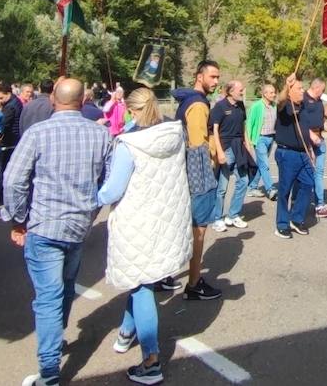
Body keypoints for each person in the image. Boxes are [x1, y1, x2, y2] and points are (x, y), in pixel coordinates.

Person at [1, 79, 112, 386]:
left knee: (49, 297)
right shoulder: (100, 133)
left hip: (44, 224)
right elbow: (113, 176)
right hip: (78, 225)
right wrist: (94, 204)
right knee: (62, 289)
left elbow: (12, 180)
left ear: (53, 99)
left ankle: (49, 372)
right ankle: (54, 341)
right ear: (84, 99)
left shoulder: (38, 133)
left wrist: (17, 218)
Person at [97, 88, 190, 386]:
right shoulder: (173, 134)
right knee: (142, 279)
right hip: (165, 219)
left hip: (137, 220)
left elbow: (112, 190)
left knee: (140, 286)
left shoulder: (129, 145)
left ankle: (151, 361)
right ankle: (126, 333)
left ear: (133, 111)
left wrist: (93, 194)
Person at [171, 60, 224, 300]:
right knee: (199, 229)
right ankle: (193, 283)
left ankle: (167, 276)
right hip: (198, 174)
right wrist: (214, 156)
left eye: (217, 78)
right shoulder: (197, 105)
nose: (215, 81)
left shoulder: (188, 100)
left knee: (187, 226)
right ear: (199, 76)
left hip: (186, 171)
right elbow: (197, 144)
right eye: (212, 77)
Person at [272, 75, 317, 238]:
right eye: (299, 88)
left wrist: (310, 149)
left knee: (308, 183)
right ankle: (282, 224)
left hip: (303, 153)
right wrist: (286, 86)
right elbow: (281, 100)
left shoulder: (303, 106)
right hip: (287, 153)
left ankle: (296, 218)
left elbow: (305, 129)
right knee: (285, 190)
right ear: (290, 92)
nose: (302, 90)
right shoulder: (285, 106)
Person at [211, 80, 254, 230]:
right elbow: (214, 130)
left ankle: (233, 215)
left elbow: (243, 127)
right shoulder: (220, 107)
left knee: (244, 180)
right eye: (240, 90)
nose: (243, 92)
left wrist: (247, 145)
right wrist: (220, 151)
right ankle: (217, 218)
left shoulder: (241, 106)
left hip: (239, 147)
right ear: (230, 92)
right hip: (225, 148)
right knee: (222, 186)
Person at [301, 78, 327, 218]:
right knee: (305, 172)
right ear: (316, 87)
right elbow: (300, 122)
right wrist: (310, 137)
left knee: (319, 172)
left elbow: (321, 121)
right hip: (307, 141)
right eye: (322, 90)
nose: (322, 93)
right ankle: (298, 201)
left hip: (320, 139)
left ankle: (320, 204)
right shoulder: (303, 99)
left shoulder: (319, 102)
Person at [246, 83, 278, 200]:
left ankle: (253, 187)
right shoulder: (256, 106)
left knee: (261, 164)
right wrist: (248, 141)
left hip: (271, 138)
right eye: (271, 92)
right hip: (260, 139)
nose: (274, 94)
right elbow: (249, 124)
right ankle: (270, 189)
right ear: (264, 94)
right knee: (264, 164)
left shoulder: (275, 106)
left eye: (274, 92)